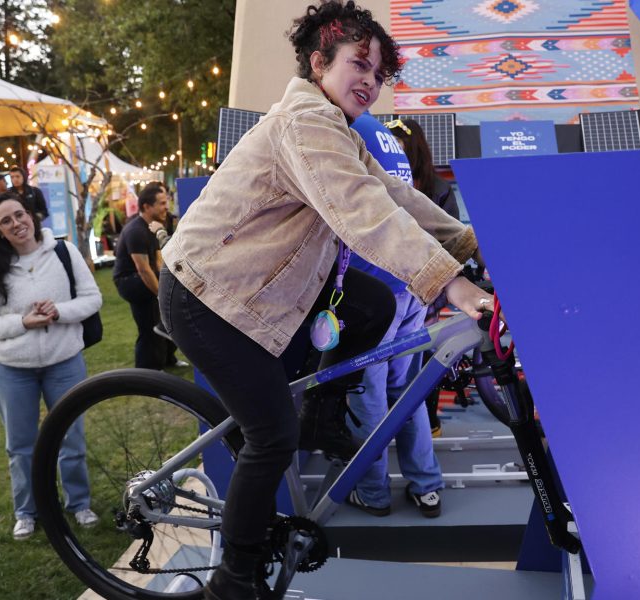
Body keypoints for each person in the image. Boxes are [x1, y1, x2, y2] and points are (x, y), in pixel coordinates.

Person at [157, 2, 491, 598]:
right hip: (209, 297)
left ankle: (322, 412)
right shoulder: (304, 123)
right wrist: (449, 281)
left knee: (372, 305)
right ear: (318, 63)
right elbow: (363, 213)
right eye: (359, 64)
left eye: (380, 74)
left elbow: (392, 194)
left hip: (267, 287)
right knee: (271, 437)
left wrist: (468, 242)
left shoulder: (336, 128)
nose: (371, 81)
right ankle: (232, 581)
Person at [0, 191, 102, 541]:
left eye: (19, 214)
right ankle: (27, 511)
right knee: (20, 446)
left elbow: (92, 298)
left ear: (31, 215)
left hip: (64, 362)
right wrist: (21, 323)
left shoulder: (63, 252)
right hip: (13, 370)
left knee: (72, 438)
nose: (16, 224)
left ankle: (79, 503)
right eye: (5, 221)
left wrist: (59, 312)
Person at [345, 113, 444, 518]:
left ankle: (373, 492)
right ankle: (426, 485)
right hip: (408, 282)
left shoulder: (344, 127)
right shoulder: (383, 134)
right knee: (405, 391)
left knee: (367, 395)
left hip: (373, 289)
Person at [385, 117, 462, 436]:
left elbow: (451, 241)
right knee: (389, 367)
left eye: (399, 147)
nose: (394, 154)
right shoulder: (383, 184)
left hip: (426, 288)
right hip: (390, 286)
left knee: (421, 363)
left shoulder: (438, 189)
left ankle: (429, 423)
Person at [113, 184, 181, 369]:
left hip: (145, 275)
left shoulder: (155, 225)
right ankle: (149, 370)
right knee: (151, 326)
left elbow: (158, 261)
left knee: (169, 317)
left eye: (166, 202)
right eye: (162, 203)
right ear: (146, 207)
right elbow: (143, 269)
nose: (166, 207)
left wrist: (166, 287)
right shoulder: (136, 231)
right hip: (131, 281)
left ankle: (169, 359)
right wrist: (161, 295)